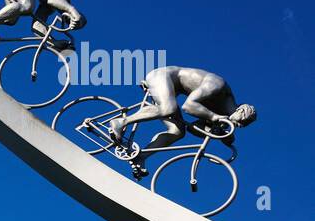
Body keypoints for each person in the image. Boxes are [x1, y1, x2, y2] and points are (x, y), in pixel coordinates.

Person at [107, 66, 257, 178]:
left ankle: (140, 157)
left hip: (173, 91)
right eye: (243, 122)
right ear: (241, 111)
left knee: (177, 132)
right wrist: (214, 118)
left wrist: (219, 133)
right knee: (168, 108)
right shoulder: (218, 86)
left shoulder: (221, 114)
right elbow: (188, 106)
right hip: (163, 77)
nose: (240, 126)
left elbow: (194, 129)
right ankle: (121, 122)